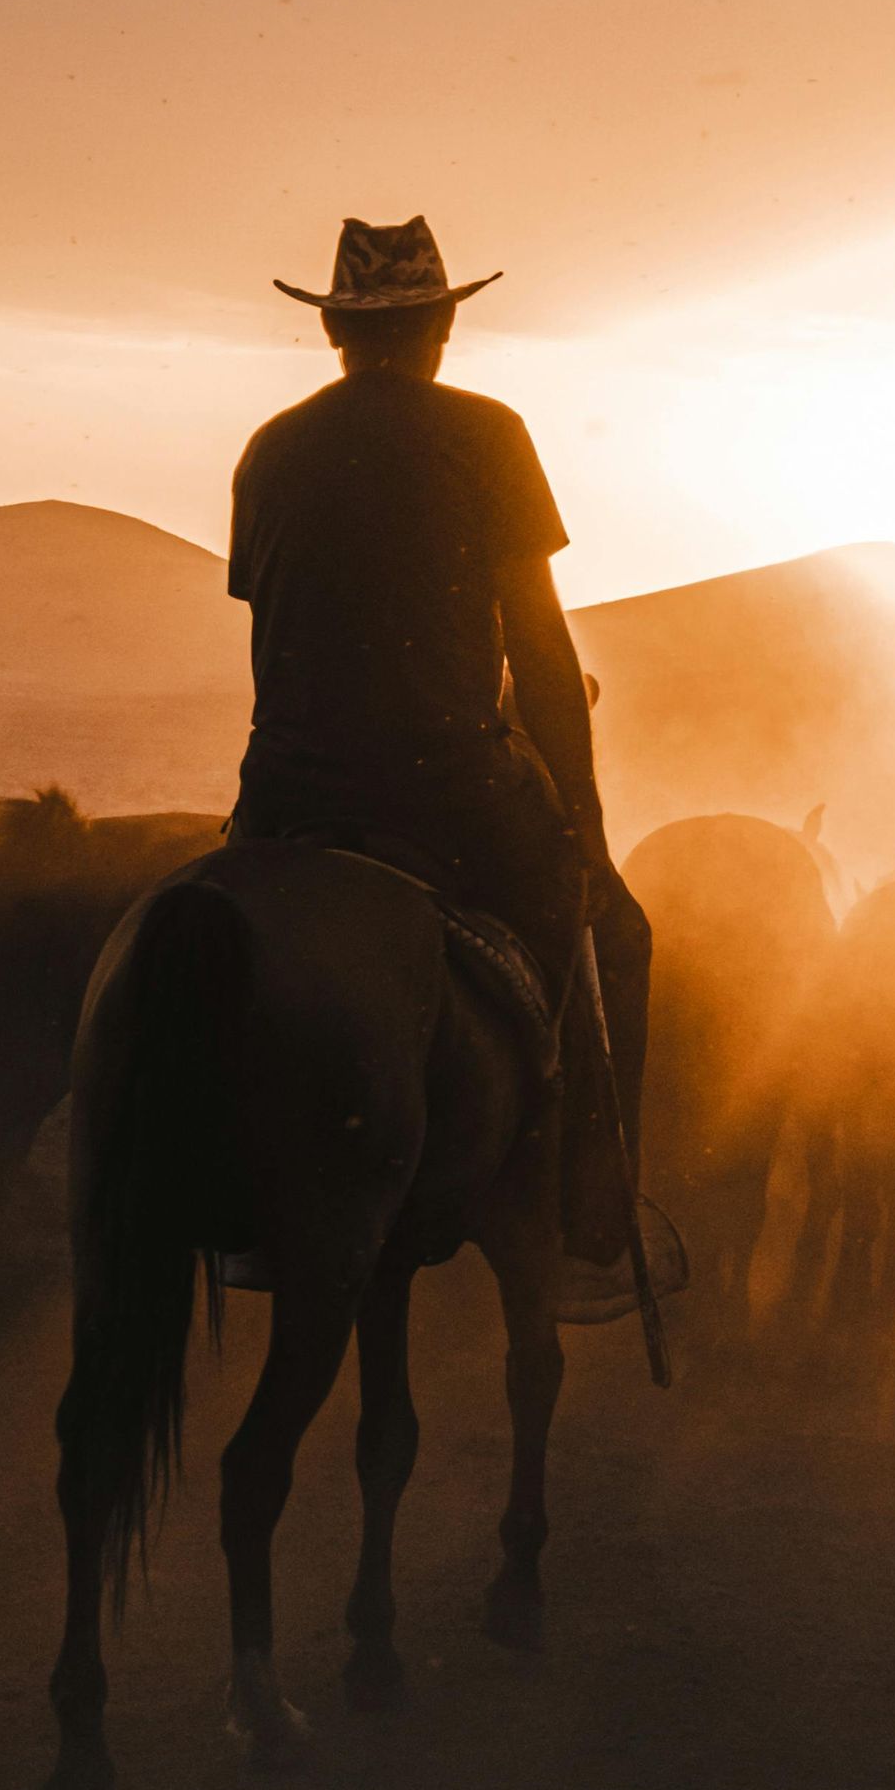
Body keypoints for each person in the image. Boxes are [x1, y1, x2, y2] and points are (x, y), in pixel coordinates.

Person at [227, 214, 651, 1319]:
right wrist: (589, 841)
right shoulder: (487, 434)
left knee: (218, 948)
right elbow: (542, 650)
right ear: (445, 323)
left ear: (333, 332)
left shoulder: (269, 448)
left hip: (283, 789)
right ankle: (584, 1221)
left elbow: (276, 629)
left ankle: (233, 1208)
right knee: (610, 932)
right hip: (446, 782)